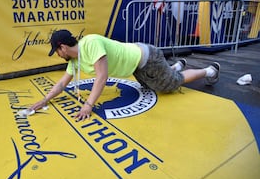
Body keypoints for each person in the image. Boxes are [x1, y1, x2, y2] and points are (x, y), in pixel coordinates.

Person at [30, 29, 220, 121]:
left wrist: (88, 106)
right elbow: (63, 83)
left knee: (171, 85)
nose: (57, 55)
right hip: (135, 65)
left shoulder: (90, 43)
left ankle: (209, 70)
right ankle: (176, 66)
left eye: (56, 51)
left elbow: (102, 76)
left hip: (147, 58)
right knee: (154, 84)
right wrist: (45, 99)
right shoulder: (74, 61)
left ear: (62, 47)